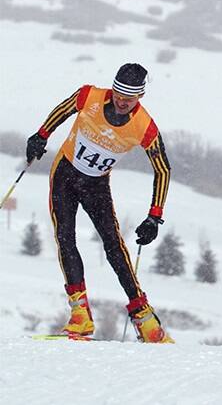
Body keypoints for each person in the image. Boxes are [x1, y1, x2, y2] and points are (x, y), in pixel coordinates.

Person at [26, 63, 174, 343]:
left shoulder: (144, 126)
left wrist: (154, 217)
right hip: (65, 175)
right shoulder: (89, 96)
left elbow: (163, 169)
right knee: (65, 238)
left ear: (140, 97)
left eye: (129, 98)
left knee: (113, 246)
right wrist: (41, 135)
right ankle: (80, 314)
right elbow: (63, 109)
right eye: (118, 94)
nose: (121, 101)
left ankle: (145, 319)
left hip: (96, 185)